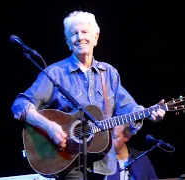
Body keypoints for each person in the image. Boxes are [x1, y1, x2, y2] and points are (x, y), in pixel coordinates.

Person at [11, 10, 166, 180]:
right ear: (68, 42)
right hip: (67, 162)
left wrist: (148, 112)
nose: (79, 37)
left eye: (84, 32)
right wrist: (49, 126)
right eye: (74, 34)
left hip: (102, 161)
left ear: (96, 37)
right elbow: (20, 105)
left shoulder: (109, 73)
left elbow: (128, 108)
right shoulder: (55, 73)